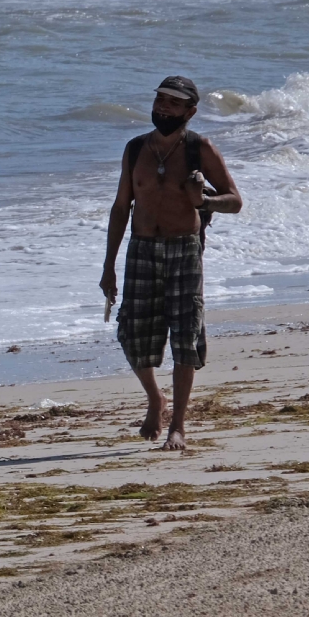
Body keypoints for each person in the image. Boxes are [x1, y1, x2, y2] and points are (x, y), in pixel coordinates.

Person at [100, 76, 242, 450]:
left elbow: (235, 201)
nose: (163, 107)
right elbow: (120, 209)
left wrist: (204, 202)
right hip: (141, 249)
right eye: (160, 99)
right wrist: (108, 265)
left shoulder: (200, 149)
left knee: (185, 338)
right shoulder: (135, 150)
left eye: (173, 103)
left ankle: (177, 425)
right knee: (132, 334)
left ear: (190, 111)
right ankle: (155, 398)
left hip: (184, 250)